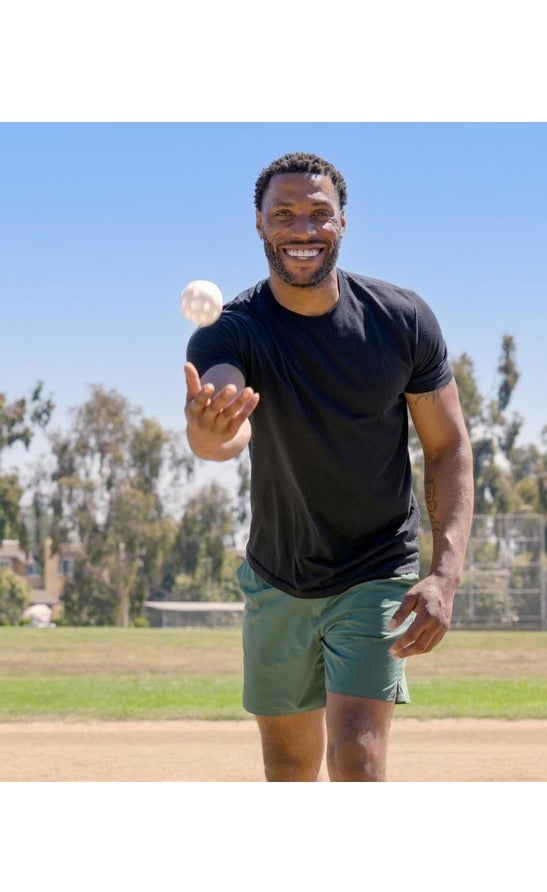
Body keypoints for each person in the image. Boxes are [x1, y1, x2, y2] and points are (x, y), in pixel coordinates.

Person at [184, 152, 474, 781]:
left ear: (343, 223)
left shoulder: (401, 321)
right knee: (288, 766)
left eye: (319, 214)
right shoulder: (229, 332)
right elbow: (224, 432)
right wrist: (213, 428)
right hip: (278, 573)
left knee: (357, 755)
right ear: (259, 224)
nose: (303, 229)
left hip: (376, 566)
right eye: (283, 214)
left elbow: (448, 445)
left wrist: (445, 574)